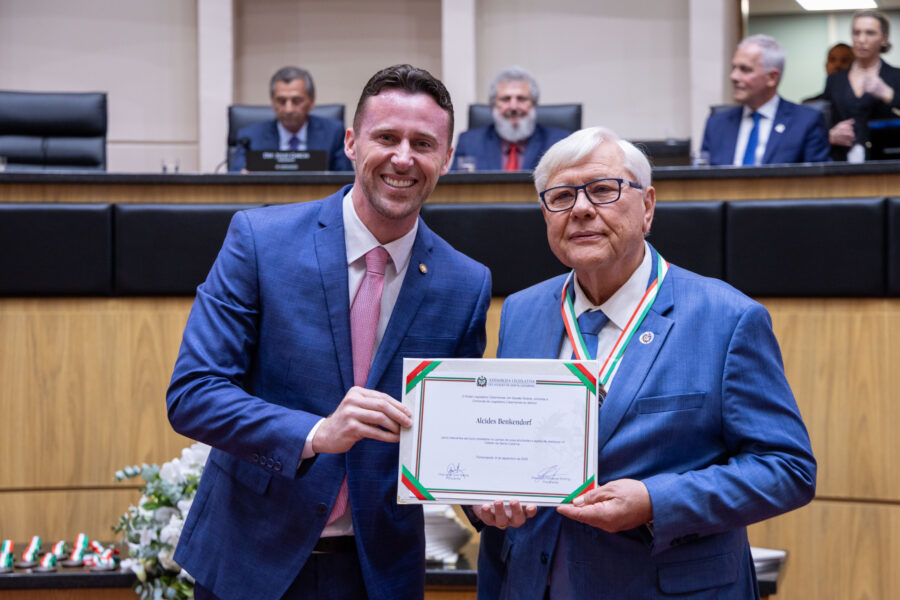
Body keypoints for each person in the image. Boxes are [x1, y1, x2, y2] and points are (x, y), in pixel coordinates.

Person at [168, 64, 492, 600]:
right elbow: (194, 395)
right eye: (386, 137)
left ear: (448, 158)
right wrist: (315, 434)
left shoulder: (465, 283)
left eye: (423, 143)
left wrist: (494, 503)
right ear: (350, 142)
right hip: (250, 561)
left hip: (377, 575)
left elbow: (449, 436)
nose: (403, 157)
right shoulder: (259, 241)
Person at [476, 126, 816, 599]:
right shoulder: (521, 311)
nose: (580, 209)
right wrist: (487, 498)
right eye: (560, 197)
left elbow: (787, 469)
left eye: (602, 190)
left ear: (648, 206)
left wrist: (657, 501)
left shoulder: (727, 318)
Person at [701, 34, 830, 165]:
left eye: (745, 69)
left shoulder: (806, 123)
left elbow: (818, 183)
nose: (733, 76)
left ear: (772, 78)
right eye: (733, 68)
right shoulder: (716, 125)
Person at [229, 65, 352, 172]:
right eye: (281, 101)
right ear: (272, 102)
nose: (288, 109)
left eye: (296, 101)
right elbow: (235, 181)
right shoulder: (250, 137)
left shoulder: (333, 133)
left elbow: (345, 181)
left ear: (312, 101)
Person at [451, 66, 570, 171]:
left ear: (533, 104)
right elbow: (455, 191)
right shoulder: (469, 142)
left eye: (521, 99)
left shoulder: (559, 142)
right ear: (493, 104)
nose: (513, 107)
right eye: (505, 99)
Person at [823, 9, 900, 162]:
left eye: (870, 33)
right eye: (856, 33)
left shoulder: (896, 76)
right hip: (841, 161)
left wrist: (889, 94)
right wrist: (830, 135)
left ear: (884, 38)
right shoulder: (835, 80)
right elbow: (824, 121)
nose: (861, 39)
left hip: (887, 161)